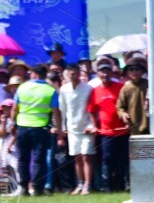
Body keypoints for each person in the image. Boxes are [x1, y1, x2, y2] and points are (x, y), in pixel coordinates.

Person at [11, 63, 61, 196]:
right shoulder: (50, 90)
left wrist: (12, 124)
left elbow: (15, 108)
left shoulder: (22, 87)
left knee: (23, 158)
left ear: (33, 74)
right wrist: (59, 129)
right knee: (39, 159)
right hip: (40, 128)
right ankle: (38, 188)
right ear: (45, 75)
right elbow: (56, 112)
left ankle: (23, 187)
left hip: (22, 126)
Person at [87, 60, 128, 192]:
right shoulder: (95, 91)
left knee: (123, 159)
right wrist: (95, 126)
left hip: (123, 131)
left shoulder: (121, 87)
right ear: (98, 74)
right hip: (106, 132)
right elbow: (91, 110)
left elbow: (128, 106)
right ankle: (107, 186)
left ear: (111, 73)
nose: (104, 74)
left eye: (107, 71)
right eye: (102, 71)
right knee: (107, 160)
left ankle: (124, 185)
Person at [59, 63, 94, 195]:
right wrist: (62, 128)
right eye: (71, 73)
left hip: (86, 128)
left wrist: (92, 125)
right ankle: (80, 183)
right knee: (77, 157)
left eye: (75, 73)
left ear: (79, 73)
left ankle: (87, 185)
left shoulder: (88, 88)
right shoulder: (64, 89)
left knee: (86, 156)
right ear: (67, 74)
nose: (73, 76)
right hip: (72, 129)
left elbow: (92, 109)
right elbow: (62, 110)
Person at [116, 56, 149, 136]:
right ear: (127, 73)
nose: (134, 72)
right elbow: (119, 107)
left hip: (151, 126)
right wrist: (123, 114)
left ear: (142, 71)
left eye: (137, 69)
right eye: (131, 70)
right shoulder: (126, 88)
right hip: (134, 127)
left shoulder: (149, 84)